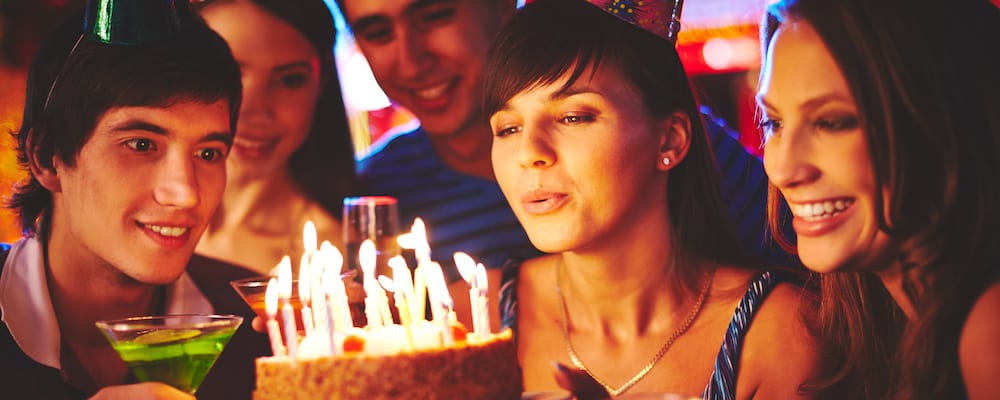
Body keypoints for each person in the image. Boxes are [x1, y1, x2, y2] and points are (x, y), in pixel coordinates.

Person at [485, 0, 821, 398]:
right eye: (508, 128)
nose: (529, 153)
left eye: (573, 117)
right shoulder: (470, 320)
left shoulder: (780, 336)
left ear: (670, 139)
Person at [334, 0, 790, 282]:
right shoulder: (374, 196)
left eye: (435, 15)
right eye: (377, 32)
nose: (411, 60)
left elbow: (806, 271)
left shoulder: (674, 143)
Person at [0, 1, 269, 399]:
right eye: (141, 144)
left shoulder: (256, 325)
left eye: (208, 153)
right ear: (46, 158)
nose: (185, 193)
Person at [757, 0, 1000, 398]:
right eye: (775, 123)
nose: (783, 170)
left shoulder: (989, 328)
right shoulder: (887, 328)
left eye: (832, 123)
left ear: (940, 123)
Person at [194, 0, 360, 274]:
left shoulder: (327, 260)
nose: (255, 112)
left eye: (290, 80)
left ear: (321, 86)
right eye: (227, 73)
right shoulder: (128, 215)